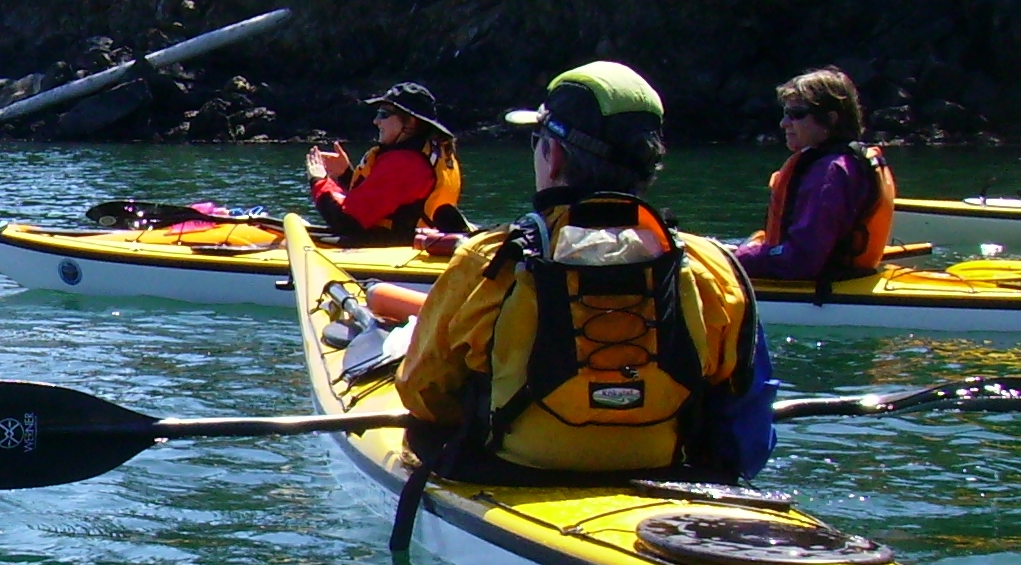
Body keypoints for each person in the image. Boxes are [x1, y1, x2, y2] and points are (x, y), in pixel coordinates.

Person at [393, 61, 775, 485]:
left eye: (537, 140)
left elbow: (424, 392)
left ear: (553, 156)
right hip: (664, 471)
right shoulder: (712, 266)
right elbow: (748, 425)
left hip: (509, 472)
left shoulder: (490, 262)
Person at [734, 67, 896, 281]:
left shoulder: (831, 172)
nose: (784, 124)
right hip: (846, 277)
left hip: (822, 290)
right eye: (785, 114)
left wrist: (733, 259)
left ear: (830, 119)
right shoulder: (844, 162)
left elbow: (799, 261)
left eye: (797, 115)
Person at [306, 82, 465, 246]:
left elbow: (347, 222)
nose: (376, 121)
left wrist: (319, 181)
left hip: (395, 248)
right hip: (418, 243)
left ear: (410, 122)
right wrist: (346, 175)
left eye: (384, 114)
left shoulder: (404, 164)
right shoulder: (433, 153)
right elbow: (391, 201)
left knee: (292, 235)